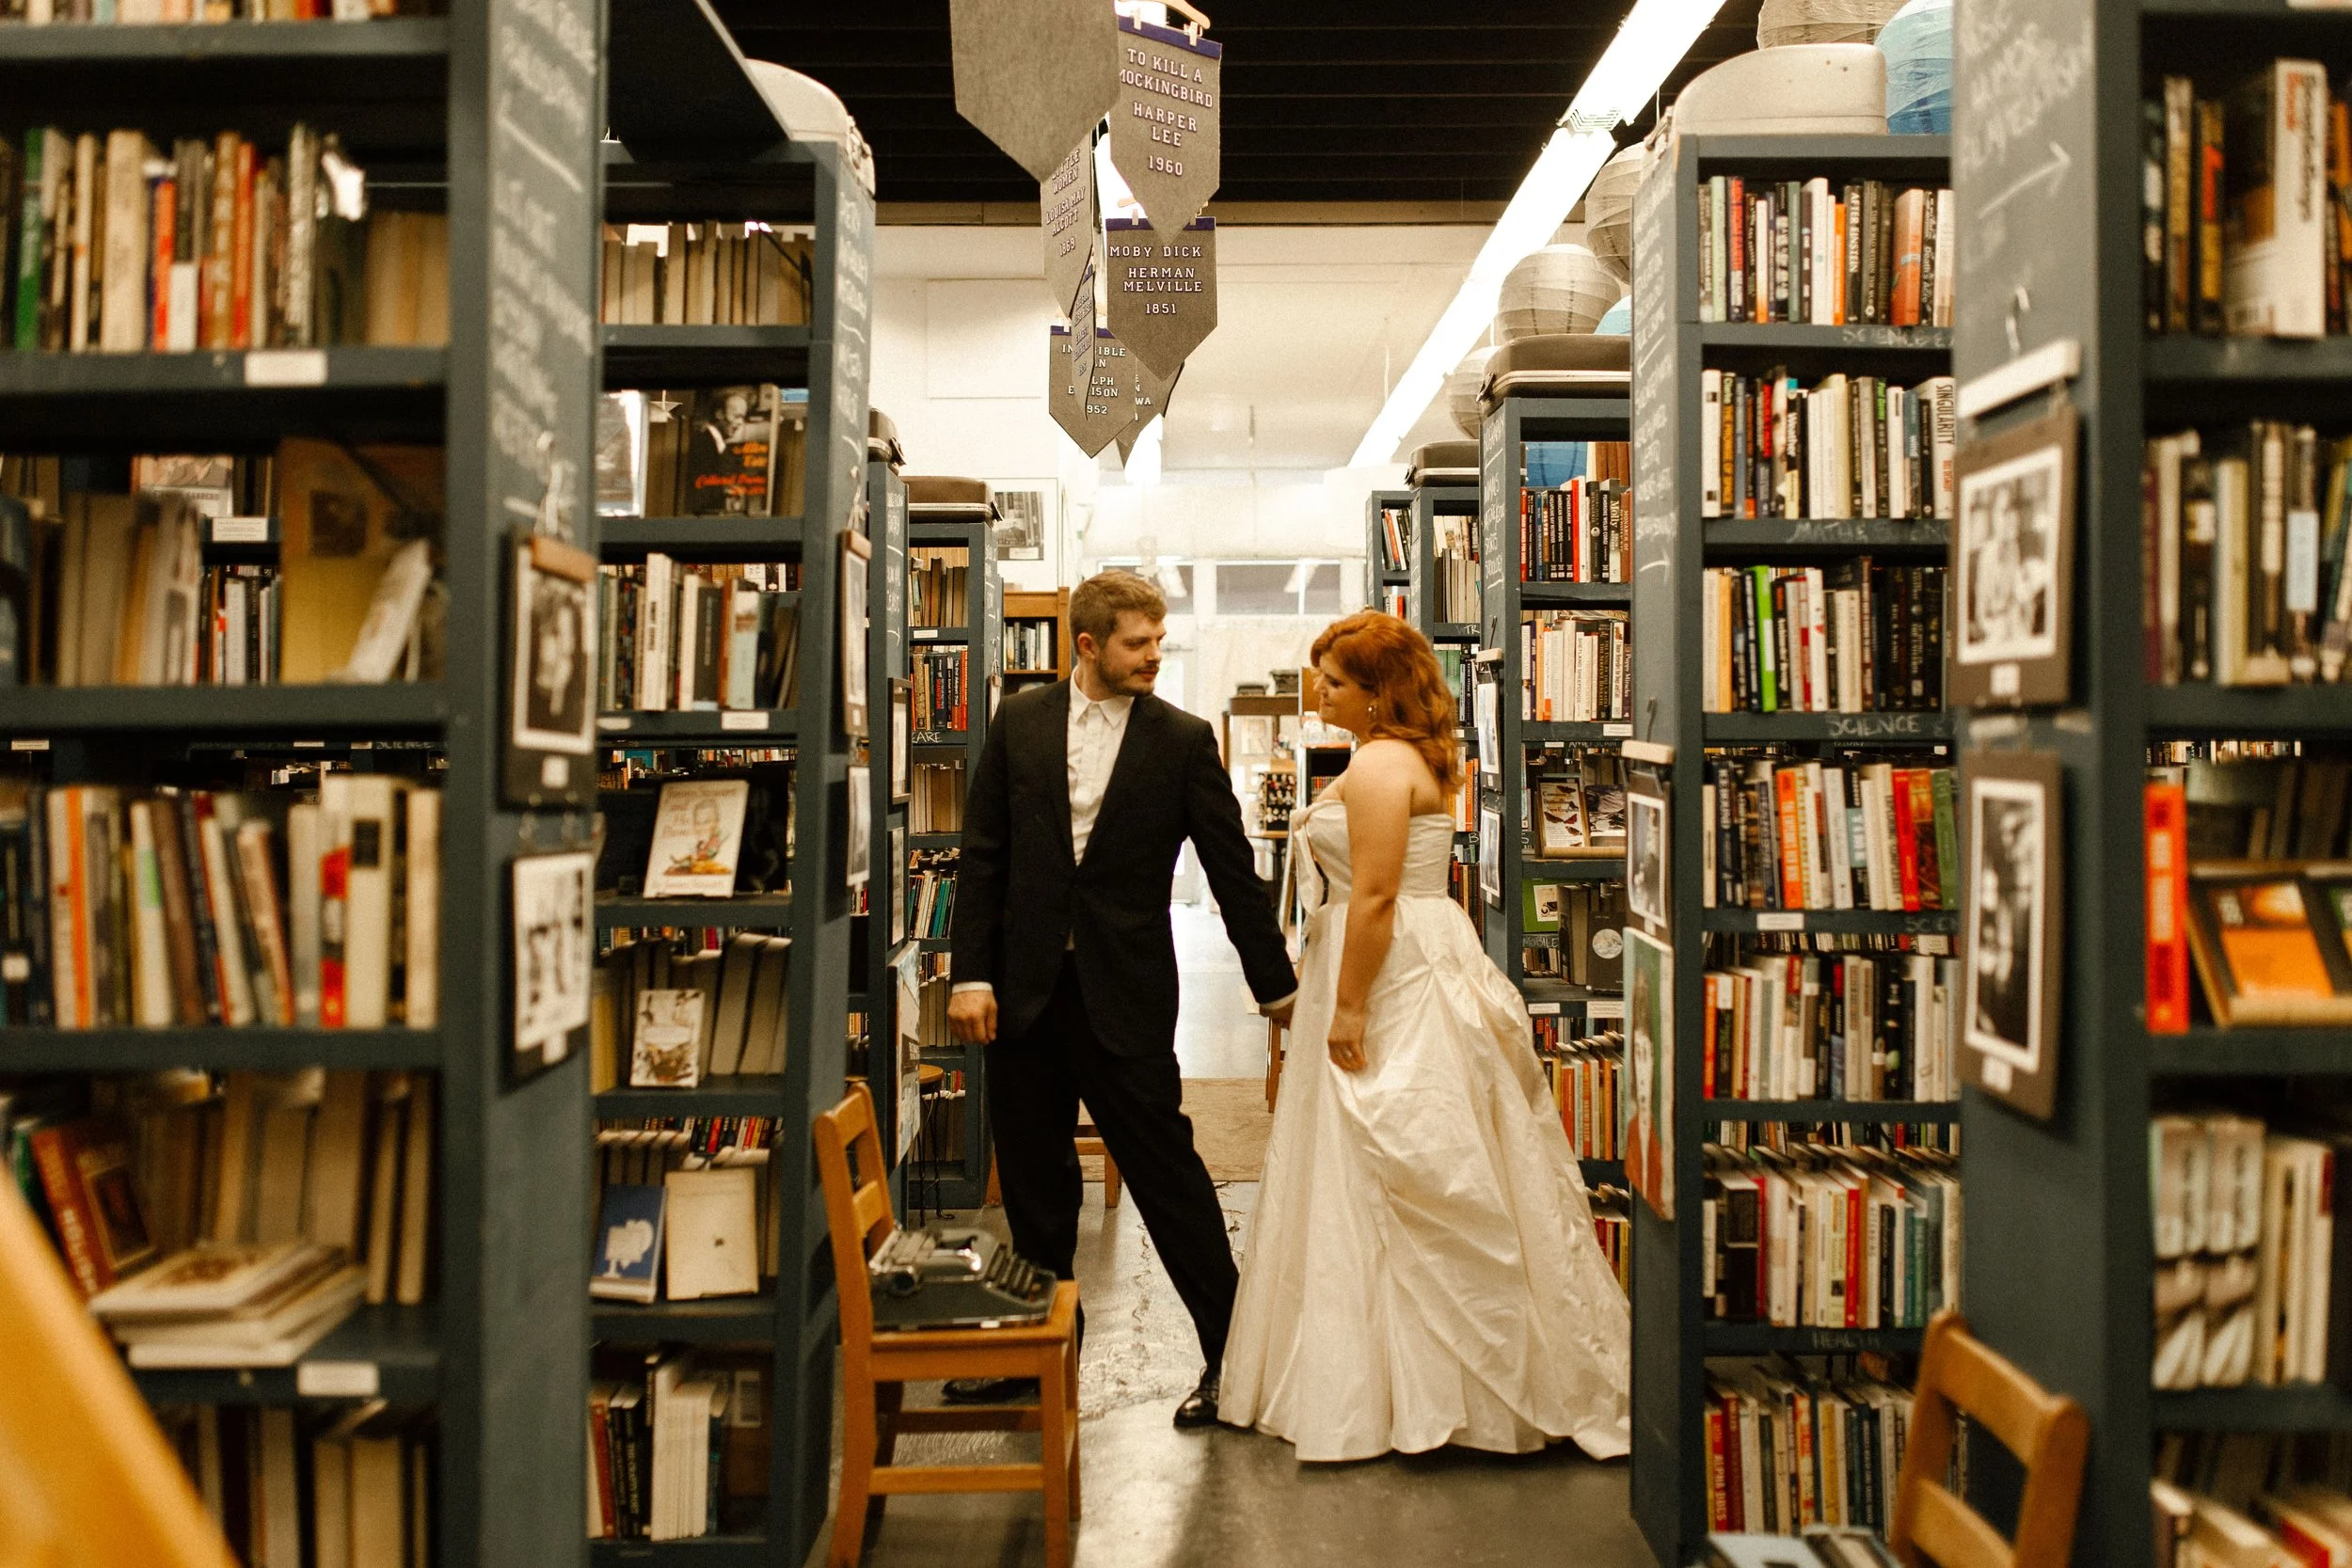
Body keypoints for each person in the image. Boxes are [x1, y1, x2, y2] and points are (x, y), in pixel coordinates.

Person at [1220, 610, 1630, 1463]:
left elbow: (1373, 896)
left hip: (1389, 967)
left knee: (1396, 1150)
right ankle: (1410, 1376)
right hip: (1410, 952)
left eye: (1335, 680)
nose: (1320, 690)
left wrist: (1348, 1007)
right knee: (1401, 1157)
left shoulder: (1377, 766)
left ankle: (1416, 1387)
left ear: (1377, 694)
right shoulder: (1402, 758)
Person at [946, 569, 1298, 1428]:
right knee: (1035, 1187)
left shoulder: (1180, 739)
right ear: (1087, 645)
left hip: (1127, 993)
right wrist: (969, 972)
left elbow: (1229, 867)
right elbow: (983, 853)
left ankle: (1232, 1360)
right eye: (1138, 642)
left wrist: (1275, 983)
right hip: (1023, 996)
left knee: (1169, 1174)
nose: (1155, 654)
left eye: (1159, 637)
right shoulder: (1018, 722)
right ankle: (1034, 1353)